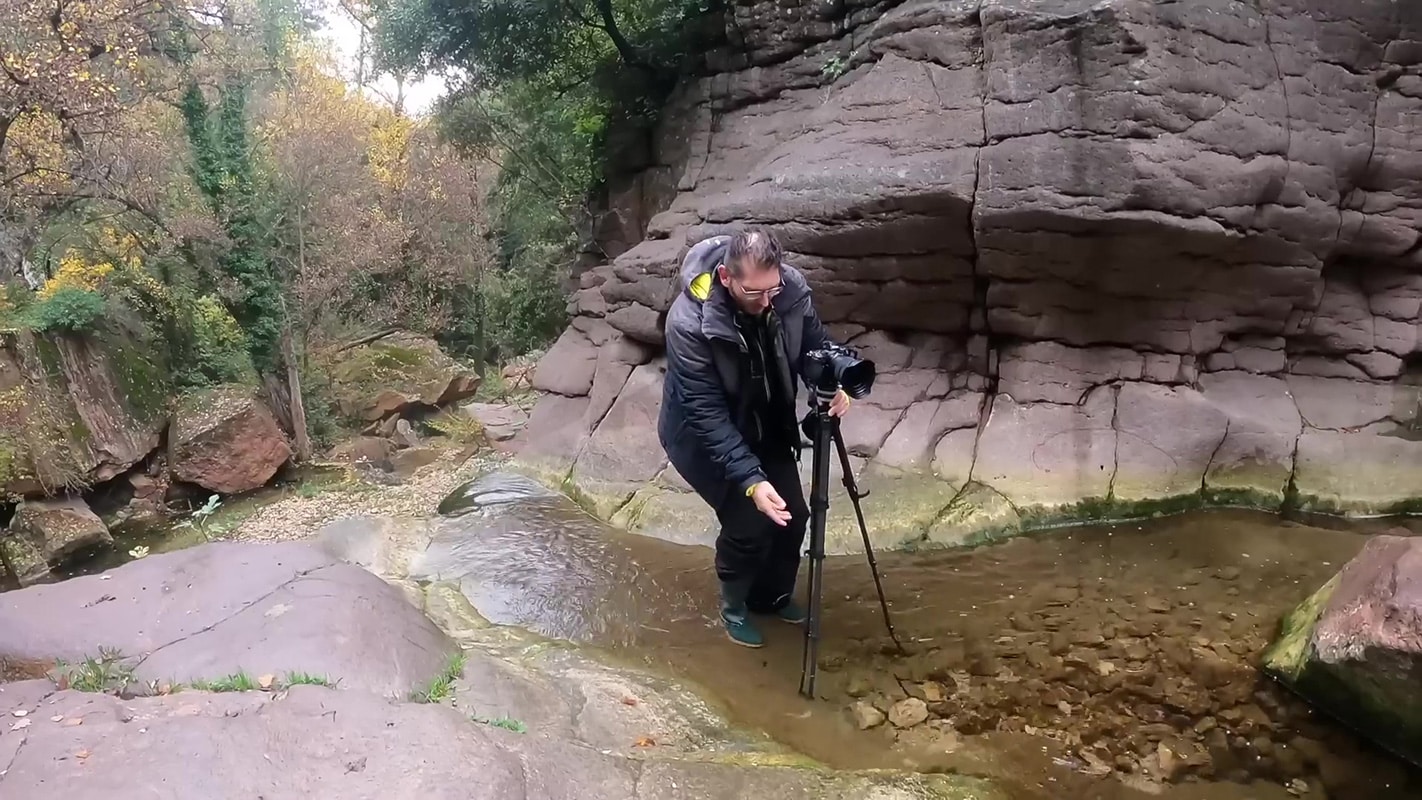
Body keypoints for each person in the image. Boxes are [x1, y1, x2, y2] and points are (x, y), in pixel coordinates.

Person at [657, 226, 852, 648]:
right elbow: (706, 414)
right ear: (727, 278)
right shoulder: (688, 324)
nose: (767, 302)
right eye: (754, 293)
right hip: (702, 434)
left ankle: (773, 596)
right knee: (749, 522)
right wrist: (751, 479)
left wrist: (836, 382)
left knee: (794, 516)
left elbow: (813, 346)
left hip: (767, 422)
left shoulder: (788, 290)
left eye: (773, 289)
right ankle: (735, 607)